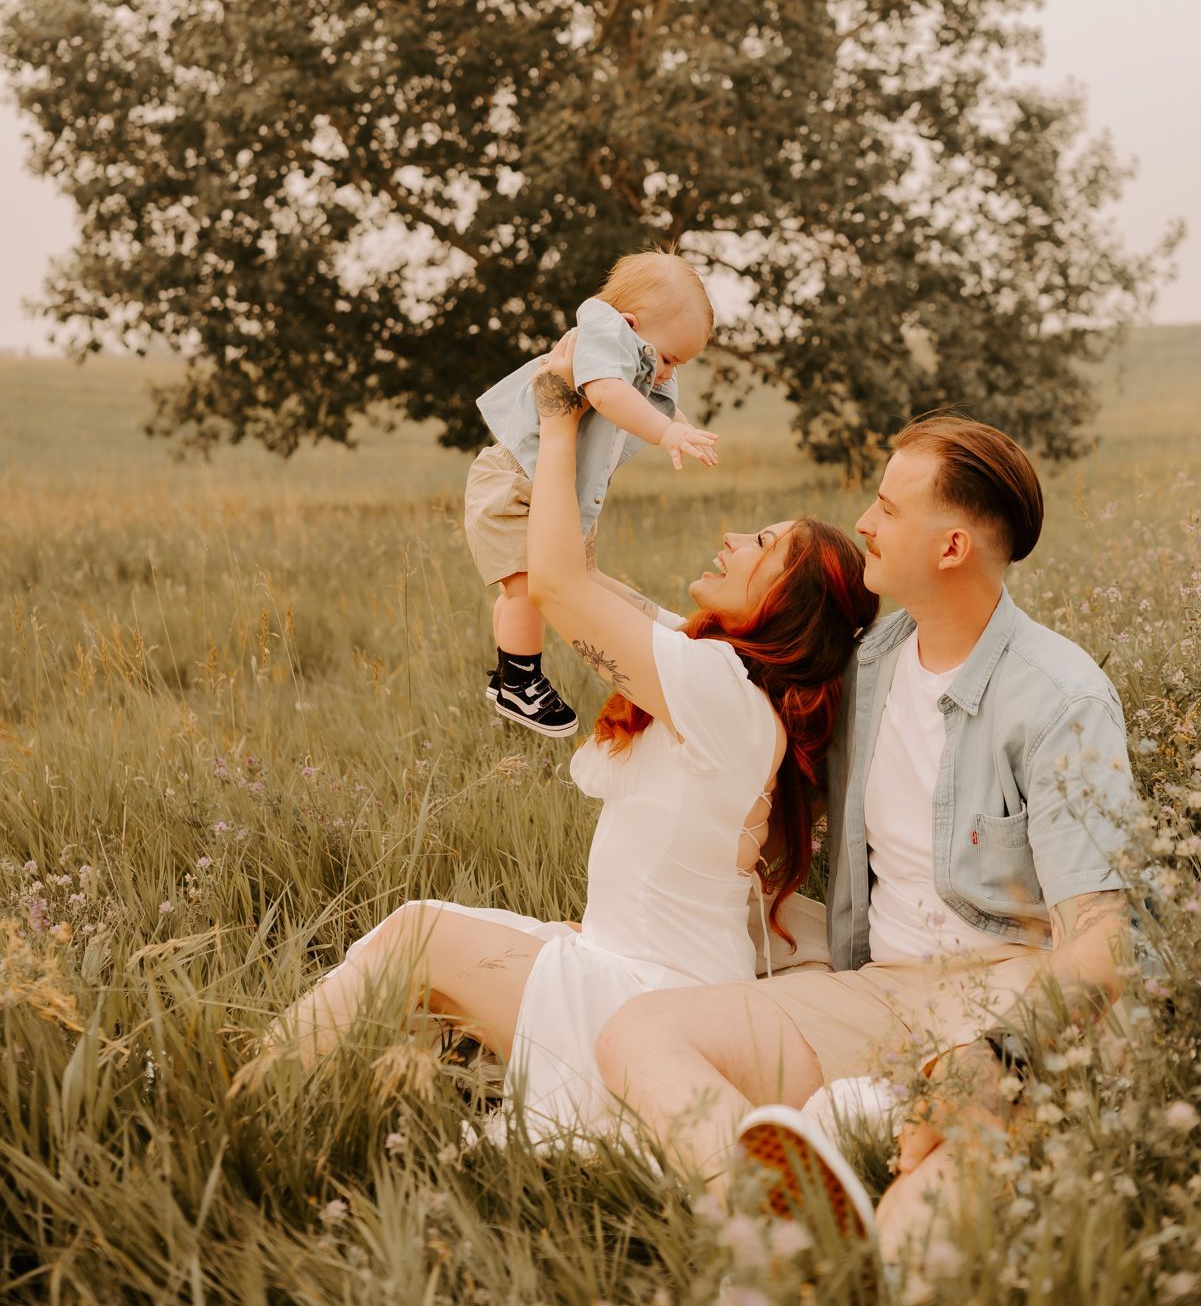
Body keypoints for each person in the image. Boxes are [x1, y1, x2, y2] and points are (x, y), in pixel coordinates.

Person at [262, 333, 877, 1146]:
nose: (733, 538)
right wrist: (589, 413)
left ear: (788, 605)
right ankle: (293, 1097)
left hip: (650, 999)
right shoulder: (714, 674)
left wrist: (556, 427)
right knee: (411, 933)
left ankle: (246, 1108)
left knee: (420, 937)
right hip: (633, 967)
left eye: (763, 545)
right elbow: (574, 577)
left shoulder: (722, 693)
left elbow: (556, 584)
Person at [596, 413, 1140, 1262]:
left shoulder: (1061, 700)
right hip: (880, 987)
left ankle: (895, 1237)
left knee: (924, 1214)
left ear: (951, 547)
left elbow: (1105, 938)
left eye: (886, 508)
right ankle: (783, 1236)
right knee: (639, 1033)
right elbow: (724, 664)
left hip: (1012, 994)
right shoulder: (867, 666)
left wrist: (997, 1056)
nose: (863, 523)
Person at [466, 249, 720, 736]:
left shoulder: (633, 358)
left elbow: (657, 405)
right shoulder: (603, 338)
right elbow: (605, 395)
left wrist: (680, 427)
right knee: (528, 587)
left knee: (545, 582)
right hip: (515, 483)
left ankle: (507, 674)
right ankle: (521, 678)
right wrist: (666, 435)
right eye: (667, 358)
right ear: (629, 323)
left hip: (542, 488)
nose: (667, 372)